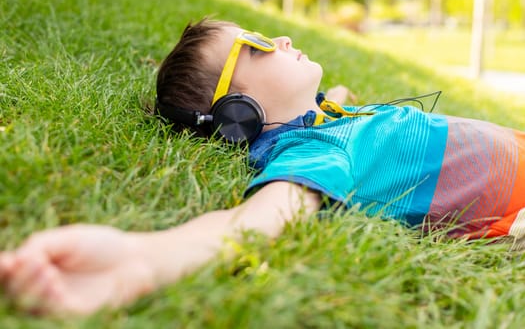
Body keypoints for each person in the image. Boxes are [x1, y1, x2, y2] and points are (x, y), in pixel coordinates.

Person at [0, 17, 524, 317]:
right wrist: (137, 258)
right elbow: (252, 223)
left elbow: (331, 96)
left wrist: (334, 95)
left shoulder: (318, 117)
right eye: (257, 47)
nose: (282, 41)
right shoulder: (313, 153)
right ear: (238, 112)